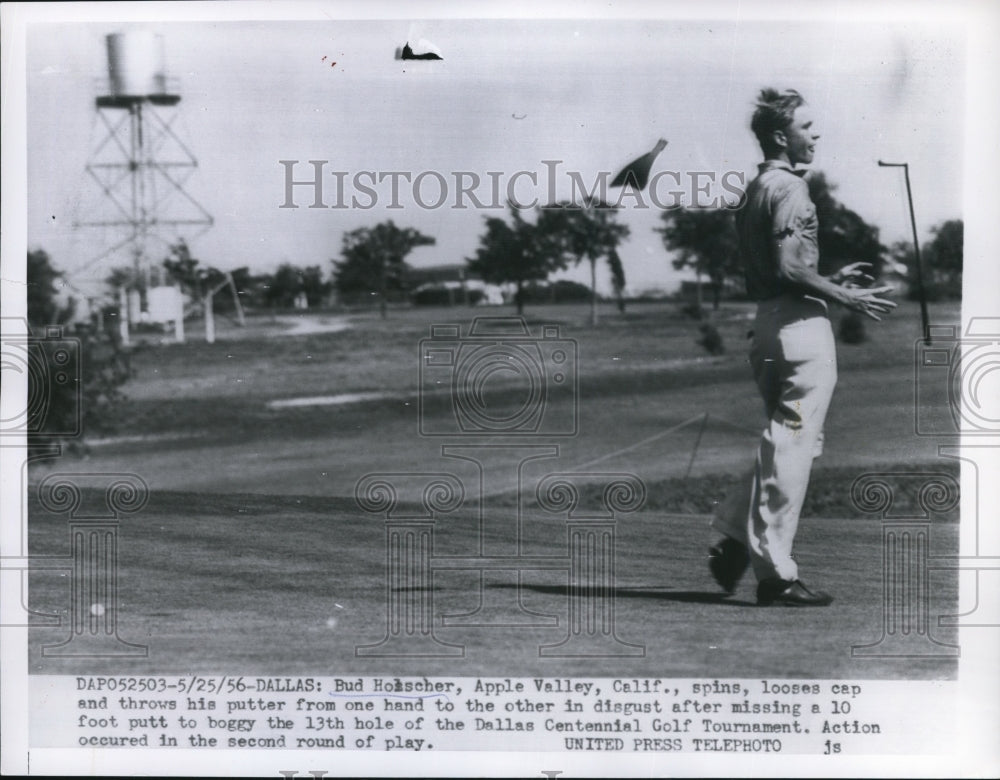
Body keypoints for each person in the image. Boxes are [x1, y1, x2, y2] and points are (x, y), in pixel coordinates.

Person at [708, 88, 897, 606]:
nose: (815, 136)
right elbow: (792, 267)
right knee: (792, 446)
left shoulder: (756, 188)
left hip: (768, 324)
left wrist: (827, 279)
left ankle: (731, 538)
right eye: (806, 127)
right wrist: (845, 294)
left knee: (788, 442)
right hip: (800, 330)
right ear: (779, 135)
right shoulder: (790, 189)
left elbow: (778, 271)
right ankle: (775, 574)